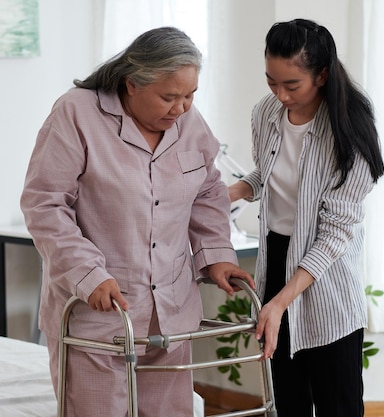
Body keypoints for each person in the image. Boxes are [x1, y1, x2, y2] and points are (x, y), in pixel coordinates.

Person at [20, 26, 254, 417]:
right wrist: (87, 273)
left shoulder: (188, 121)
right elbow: (44, 204)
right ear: (132, 84)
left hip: (171, 313)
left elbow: (208, 192)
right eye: (169, 97)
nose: (181, 108)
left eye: (190, 96)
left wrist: (216, 255)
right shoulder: (78, 112)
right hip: (98, 314)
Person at [228, 18, 384, 417]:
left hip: (325, 274)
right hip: (277, 260)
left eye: (291, 85)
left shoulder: (350, 132)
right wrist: (232, 191)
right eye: (271, 82)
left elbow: (335, 233)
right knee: (288, 400)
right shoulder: (266, 113)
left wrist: (281, 302)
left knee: (339, 405)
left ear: (322, 74)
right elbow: (266, 173)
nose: (279, 95)